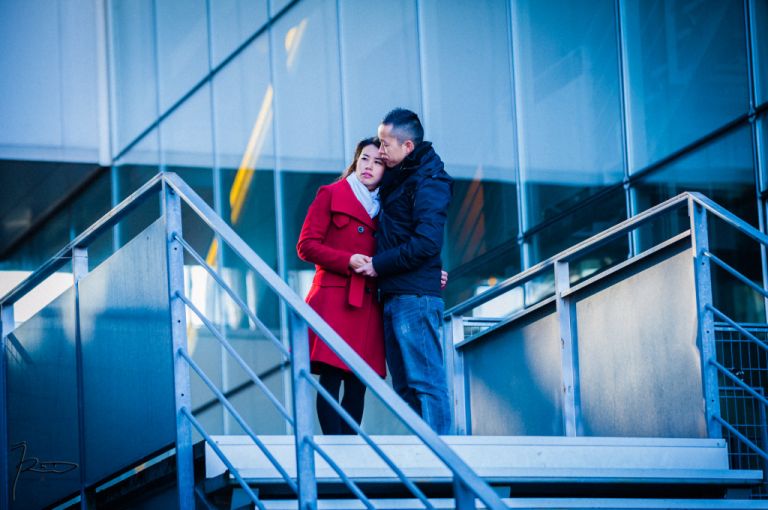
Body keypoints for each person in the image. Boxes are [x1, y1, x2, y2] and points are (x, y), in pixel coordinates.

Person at [356, 108, 453, 434]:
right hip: (396, 292)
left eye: (385, 144)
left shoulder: (429, 181)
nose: (380, 151)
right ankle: (422, 450)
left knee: (426, 382)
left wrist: (378, 265)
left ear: (408, 146)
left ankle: (441, 454)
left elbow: (426, 243)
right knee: (405, 386)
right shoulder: (400, 177)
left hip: (414, 296)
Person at [297, 137, 387, 435]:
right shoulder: (331, 194)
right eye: (364, 159)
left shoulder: (388, 207)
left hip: (368, 303)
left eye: (378, 162)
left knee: (358, 384)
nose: (369, 166)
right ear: (355, 161)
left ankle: (348, 452)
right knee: (332, 377)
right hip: (335, 298)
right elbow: (306, 246)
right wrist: (347, 260)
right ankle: (334, 450)